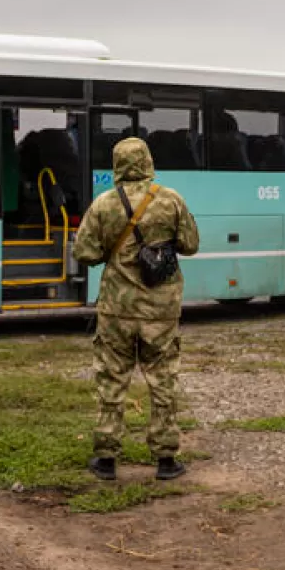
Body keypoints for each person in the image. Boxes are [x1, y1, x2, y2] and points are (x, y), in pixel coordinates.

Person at [74, 138, 200, 482]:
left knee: (112, 380)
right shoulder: (171, 200)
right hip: (161, 311)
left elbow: (83, 252)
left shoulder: (104, 204)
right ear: (147, 161)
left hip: (117, 309)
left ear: (117, 164)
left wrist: (113, 253)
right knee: (162, 382)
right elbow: (191, 245)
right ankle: (165, 459)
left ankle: (106, 458)